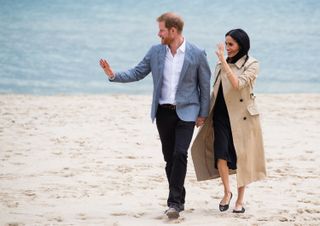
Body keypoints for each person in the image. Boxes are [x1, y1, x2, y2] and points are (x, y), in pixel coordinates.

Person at [99, 12, 211, 219]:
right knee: (170, 159)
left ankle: (174, 203)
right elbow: (137, 72)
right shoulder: (156, 52)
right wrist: (113, 75)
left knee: (180, 154)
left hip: (187, 112)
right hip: (163, 113)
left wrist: (203, 113)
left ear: (173, 31)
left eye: (161, 30)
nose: (158, 34)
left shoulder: (196, 53)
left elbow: (205, 86)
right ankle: (180, 197)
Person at [191, 29, 266, 213]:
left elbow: (238, 84)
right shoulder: (220, 64)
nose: (228, 48)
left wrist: (224, 62)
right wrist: (203, 114)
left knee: (242, 158)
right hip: (220, 115)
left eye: (231, 44)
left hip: (243, 118)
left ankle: (240, 201)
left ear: (241, 44)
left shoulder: (252, 64)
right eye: (226, 44)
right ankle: (227, 192)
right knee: (220, 155)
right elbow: (214, 91)